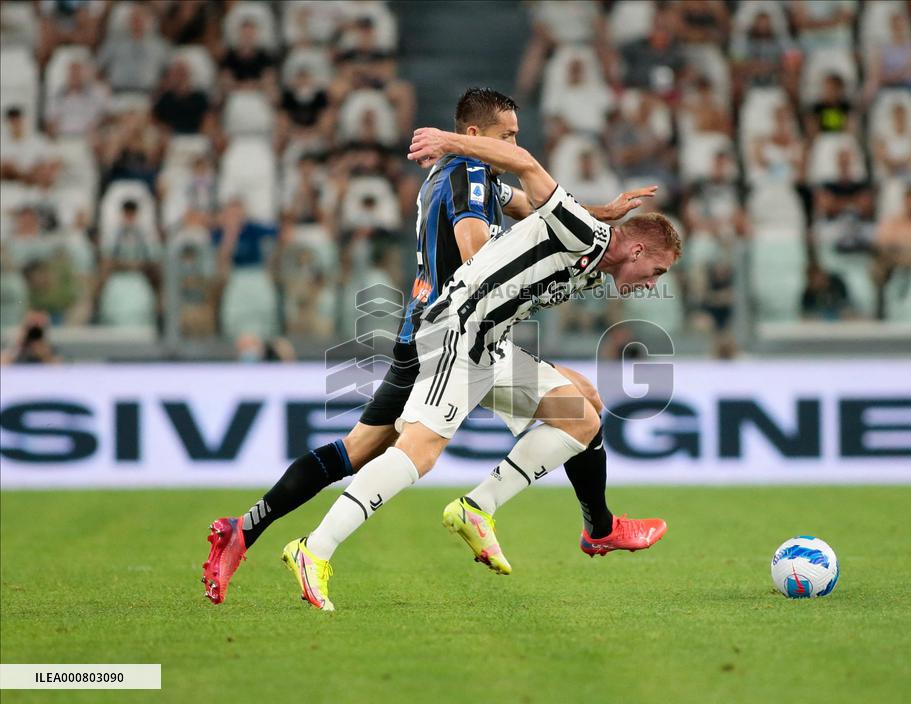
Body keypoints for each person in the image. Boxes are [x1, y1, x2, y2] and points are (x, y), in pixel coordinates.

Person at [200, 88, 658, 604]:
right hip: (450, 332)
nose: (512, 144)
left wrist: (600, 217)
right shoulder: (469, 174)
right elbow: (476, 252)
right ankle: (317, 545)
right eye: (506, 136)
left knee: (576, 405)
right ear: (474, 136)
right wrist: (539, 264)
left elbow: (534, 207)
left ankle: (244, 530)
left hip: (438, 329)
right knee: (412, 450)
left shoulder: (469, 174)